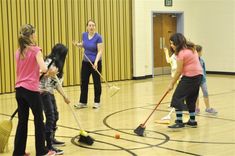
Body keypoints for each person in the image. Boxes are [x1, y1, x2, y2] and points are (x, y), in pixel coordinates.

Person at [14, 24, 56, 156]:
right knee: (39, 120)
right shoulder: (36, 50)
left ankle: (18, 152)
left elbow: (25, 71)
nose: (36, 36)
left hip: (19, 90)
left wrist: (37, 73)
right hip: (31, 90)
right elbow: (44, 69)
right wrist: (52, 71)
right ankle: (42, 151)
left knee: (22, 121)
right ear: (31, 36)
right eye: (35, 33)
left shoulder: (18, 51)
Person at [167, 33, 203, 129]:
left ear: (177, 43)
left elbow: (178, 71)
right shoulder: (191, 49)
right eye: (170, 43)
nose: (171, 45)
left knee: (177, 98)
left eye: (172, 43)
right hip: (198, 76)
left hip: (190, 77)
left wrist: (171, 84)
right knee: (191, 98)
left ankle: (179, 121)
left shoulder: (181, 53)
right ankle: (192, 121)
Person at [40, 43, 70, 155]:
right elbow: (38, 75)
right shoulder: (49, 62)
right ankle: (49, 146)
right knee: (50, 116)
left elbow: (56, 84)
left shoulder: (58, 65)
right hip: (42, 92)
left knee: (55, 115)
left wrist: (65, 96)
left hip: (50, 92)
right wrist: (48, 73)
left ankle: (52, 138)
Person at [73, 19, 103, 109]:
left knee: (96, 82)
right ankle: (83, 102)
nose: (91, 27)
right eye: (90, 25)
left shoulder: (98, 37)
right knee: (84, 82)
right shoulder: (84, 35)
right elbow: (84, 44)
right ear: (87, 27)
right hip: (86, 62)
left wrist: (96, 62)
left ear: (95, 27)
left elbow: (100, 51)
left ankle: (97, 102)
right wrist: (78, 45)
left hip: (96, 62)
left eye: (93, 25)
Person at [195, 45, 217, 115]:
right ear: (198, 52)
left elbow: (204, 70)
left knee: (205, 92)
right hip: (195, 80)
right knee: (196, 94)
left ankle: (208, 108)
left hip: (202, 80)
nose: (202, 52)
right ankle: (196, 108)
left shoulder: (202, 60)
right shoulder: (193, 60)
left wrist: (204, 77)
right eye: (201, 51)